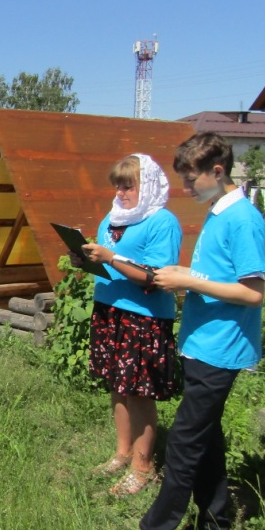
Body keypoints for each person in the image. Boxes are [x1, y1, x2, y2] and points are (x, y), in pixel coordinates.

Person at [99, 132, 265, 530]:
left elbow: (253, 292)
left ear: (218, 170)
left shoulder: (242, 219)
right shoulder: (218, 211)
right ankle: (217, 523)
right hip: (200, 341)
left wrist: (187, 281)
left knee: (184, 445)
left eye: (192, 179)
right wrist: (184, 272)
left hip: (221, 347)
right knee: (206, 439)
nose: (186, 188)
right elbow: (218, 275)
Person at [79, 154, 182, 496]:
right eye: (118, 186)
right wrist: (87, 259)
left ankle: (143, 467)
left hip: (143, 317)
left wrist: (111, 257)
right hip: (110, 310)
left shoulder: (162, 222)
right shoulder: (112, 219)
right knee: (117, 385)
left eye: (129, 186)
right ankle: (123, 453)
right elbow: (106, 264)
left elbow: (155, 276)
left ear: (148, 186)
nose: (121, 193)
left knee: (139, 391)